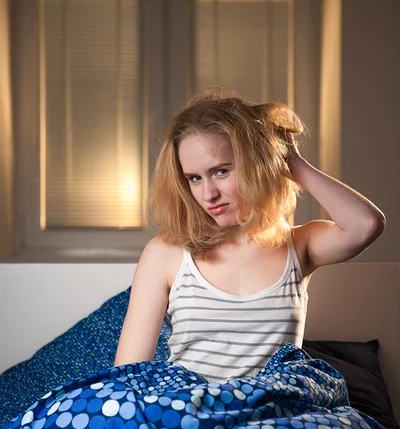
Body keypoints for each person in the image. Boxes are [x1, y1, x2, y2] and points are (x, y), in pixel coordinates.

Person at [114, 87, 385, 382]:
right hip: (191, 417)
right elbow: (127, 373)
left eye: (221, 171)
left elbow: (366, 224)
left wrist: (289, 161)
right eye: (194, 178)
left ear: (256, 165)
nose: (209, 194)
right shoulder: (165, 252)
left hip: (274, 417)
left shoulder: (299, 243)